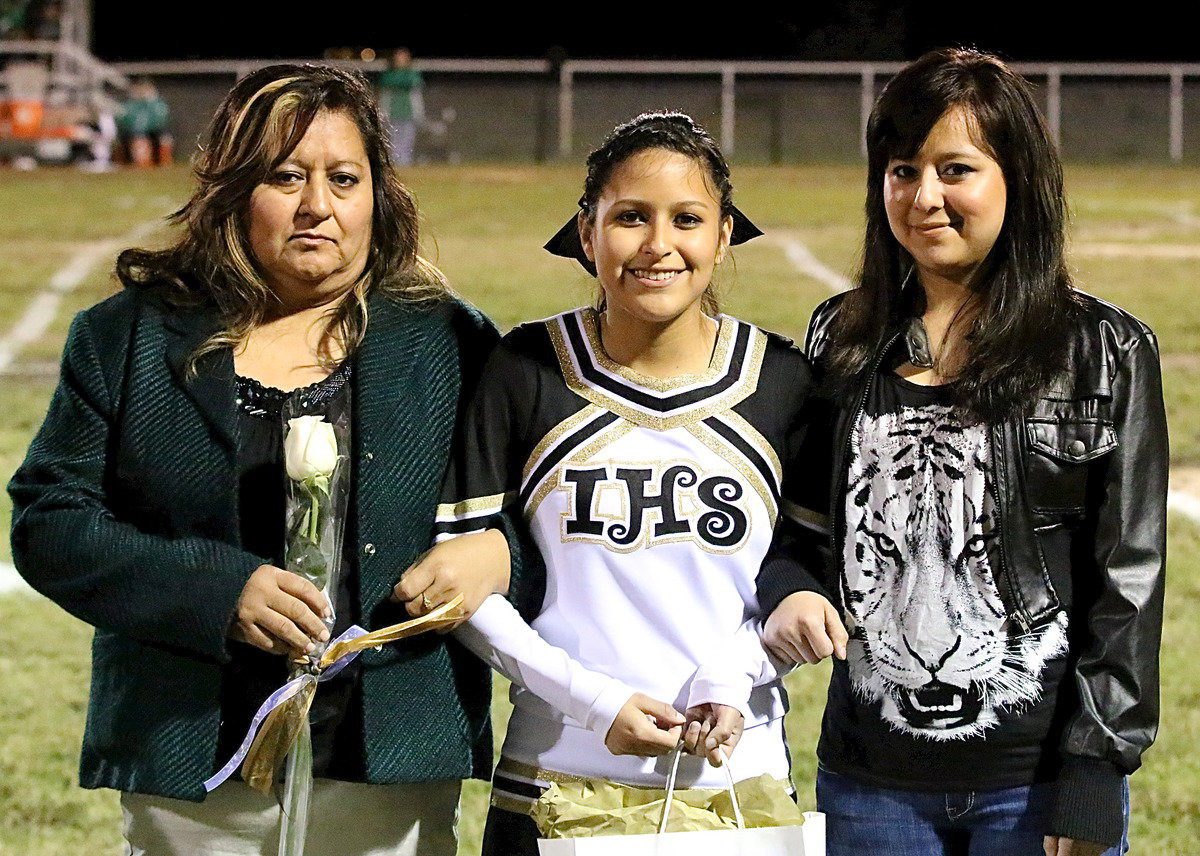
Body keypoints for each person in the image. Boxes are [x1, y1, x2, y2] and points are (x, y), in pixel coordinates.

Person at [8, 63, 509, 856]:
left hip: (389, 763)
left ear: (377, 196)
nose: (318, 205)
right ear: (234, 189)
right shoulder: (129, 337)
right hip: (191, 759)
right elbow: (50, 522)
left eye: (343, 178)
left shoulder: (449, 342)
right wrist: (215, 590)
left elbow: (542, 514)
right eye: (285, 176)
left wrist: (500, 552)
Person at [394, 111, 839, 855]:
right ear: (588, 232)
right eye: (630, 217)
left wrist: (732, 678)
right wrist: (594, 702)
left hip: (738, 777)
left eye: (687, 219)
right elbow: (456, 586)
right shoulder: (525, 368)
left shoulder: (784, 382)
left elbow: (807, 580)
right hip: (553, 775)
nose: (658, 244)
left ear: (724, 234)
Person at [761, 48, 1167, 856]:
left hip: (1037, 781)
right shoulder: (840, 339)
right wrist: (790, 592)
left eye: (956, 169)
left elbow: (1129, 579)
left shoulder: (1105, 349)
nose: (925, 198)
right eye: (903, 170)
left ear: (1016, 179)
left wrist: (1094, 773)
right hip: (870, 779)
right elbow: (801, 532)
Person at [378, 48, 424, 167]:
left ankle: (405, 163)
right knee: (394, 139)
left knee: (407, 139)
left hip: (409, 112)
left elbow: (413, 83)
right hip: (393, 112)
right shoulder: (389, 73)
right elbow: (386, 84)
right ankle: (395, 164)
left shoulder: (412, 72)